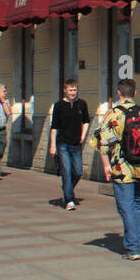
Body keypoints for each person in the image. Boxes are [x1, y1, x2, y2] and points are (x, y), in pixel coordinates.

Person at [97, 79, 140, 260]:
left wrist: (106, 166)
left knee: (125, 206)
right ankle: (136, 238)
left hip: (121, 168)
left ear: (118, 93)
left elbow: (104, 144)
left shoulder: (113, 115)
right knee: (138, 203)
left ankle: (133, 248)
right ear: (134, 93)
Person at [49, 78, 91, 210]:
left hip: (76, 144)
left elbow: (86, 121)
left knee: (78, 172)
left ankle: (67, 189)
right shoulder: (59, 106)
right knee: (66, 172)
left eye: (75, 90)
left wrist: (83, 136)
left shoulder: (82, 104)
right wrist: (52, 145)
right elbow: (54, 127)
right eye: (70, 90)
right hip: (63, 144)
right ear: (65, 90)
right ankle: (69, 200)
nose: (73, 92)